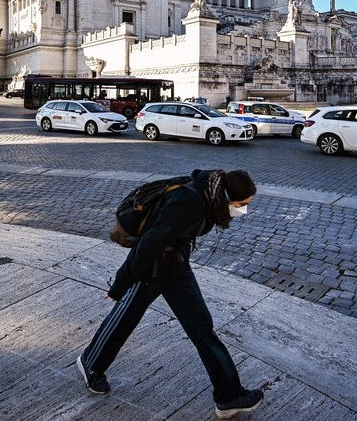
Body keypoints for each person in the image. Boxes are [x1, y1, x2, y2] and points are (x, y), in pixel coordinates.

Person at [77, 169, 264, 419]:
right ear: (227, 196)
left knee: (202, 328)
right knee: (125, 318)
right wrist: (121, 283)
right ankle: (91, 364)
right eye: (242, 204)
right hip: (153, 268)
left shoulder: (210, 194)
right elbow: (149, 244)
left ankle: (229, 397)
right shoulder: (189, 203)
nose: (243, 210)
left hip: (176, 265)